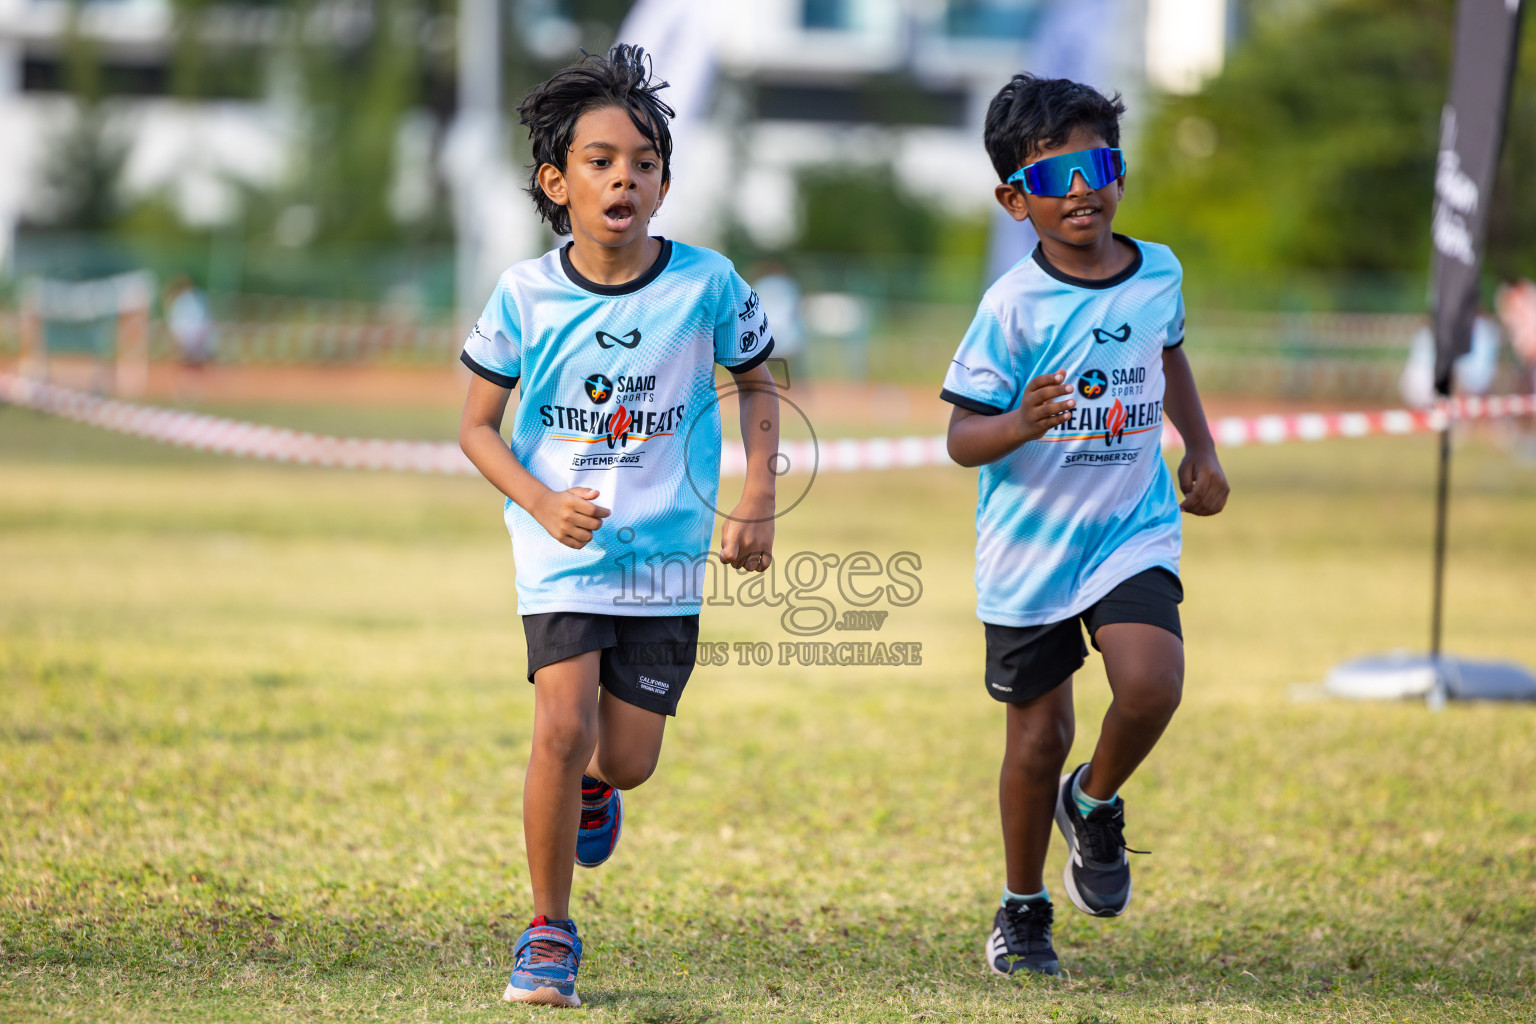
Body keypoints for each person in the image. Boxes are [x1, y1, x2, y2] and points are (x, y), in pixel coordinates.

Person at [456, 45, 779, 1008]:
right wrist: (540, 500)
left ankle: (598, 785)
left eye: (642, 161)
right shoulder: (524, 295)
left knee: (625, 757)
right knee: (561, 722)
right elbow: (475, 428)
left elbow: (759, 386)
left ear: (665, 182)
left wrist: (757, 489)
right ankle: (547, 931)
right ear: (557, 183)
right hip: (560, 551)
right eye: (599, 161)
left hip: (665, 557)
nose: (623, 177)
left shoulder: (708, 285)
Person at [939, 74, 1229, 976]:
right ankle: (1022, 908)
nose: (1081, 189)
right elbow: (960, 437)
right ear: (1013, 199)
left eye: (1097, 163)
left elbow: (1168, 352)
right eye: (1054, 174)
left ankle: (1096, 805)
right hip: (1030, 548)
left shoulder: (1161, 272)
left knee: (1151, 683)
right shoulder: (1012, 306)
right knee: (1038, 737)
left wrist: (1202, 449)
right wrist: (1018, 423)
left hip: (1129, 528)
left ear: (1119, 173)